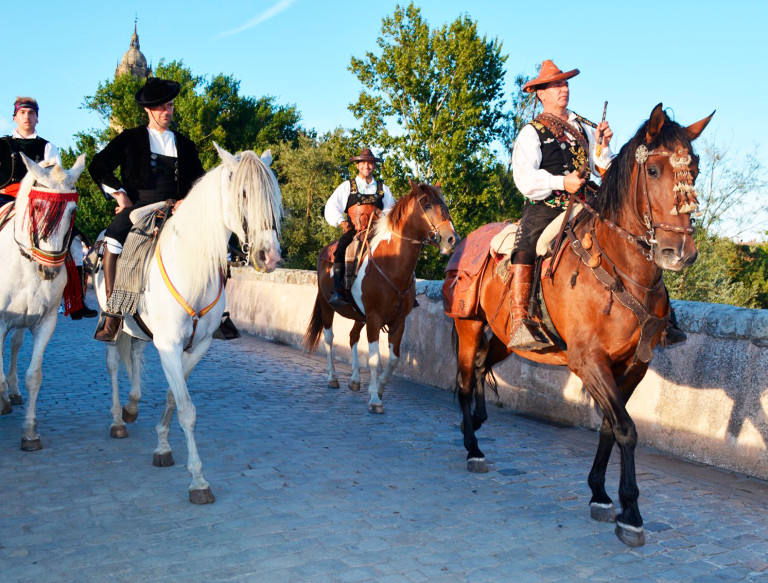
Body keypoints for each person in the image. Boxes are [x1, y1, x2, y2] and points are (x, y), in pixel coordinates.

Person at [89, 78, 205, 342]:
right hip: (140, 207)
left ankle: (213, 315)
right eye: (162, 107)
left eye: (171, 105)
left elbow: (200, 179)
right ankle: (113, 313)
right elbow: (99, 165)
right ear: (148, 110)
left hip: (177, 208)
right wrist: (119, 193)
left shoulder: (185, 144)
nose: (167, 111)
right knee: (113, 237)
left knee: (216, 240)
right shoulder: (130, 138)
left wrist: (187, 198)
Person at [509, 60, 613, 349]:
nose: (563, 88)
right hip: (548, 205)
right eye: (556, 85)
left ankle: (660, 318)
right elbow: (524, 177)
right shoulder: (532, 131)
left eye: (564, 83)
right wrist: (560, 183)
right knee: (525, 243)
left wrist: (602, 144)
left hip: (587, 201)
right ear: (541, 93)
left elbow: (599, 167)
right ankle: (521, 321)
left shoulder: (581, 126)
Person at [0, 97, 97, 319]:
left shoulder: (47, 147)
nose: (27, 116)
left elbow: (57, 180)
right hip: (5, 199)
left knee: (72, 244)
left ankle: (76, 300)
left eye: (31, 113)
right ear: (15, 117)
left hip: (41, 203)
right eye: (22, 112)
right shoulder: (2, 144)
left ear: (37, 118)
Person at [324, 148, 395, 307]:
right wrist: (341, 221)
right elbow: (332, 206)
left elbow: (392, 209)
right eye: (363, 163)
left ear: (374, 166)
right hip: (355, 231)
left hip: (378, 232)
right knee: (341, 249)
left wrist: (381, 214)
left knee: (399, 248)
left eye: (370, 164)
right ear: (357, 165)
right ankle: (339, 289)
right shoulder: (347, 186)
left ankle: (405, 292)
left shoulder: (384, 189)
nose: (366, 166)